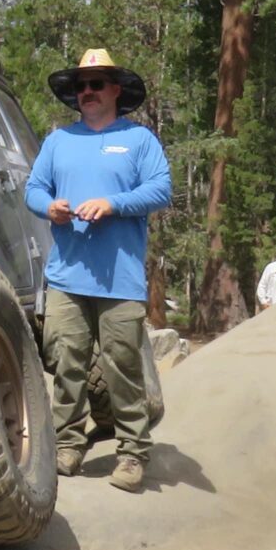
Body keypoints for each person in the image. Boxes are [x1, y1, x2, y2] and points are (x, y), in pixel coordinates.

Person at [24, 48, 171, 492]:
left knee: (122, 365)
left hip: (120, 278)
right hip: (67, 275)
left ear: (115, 90)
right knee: (66, 362)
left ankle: (132, 453)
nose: (86, 92)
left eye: (96, 84)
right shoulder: (58, 141)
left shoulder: (140, 140)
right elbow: (33, 188)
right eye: (81, 86)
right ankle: (68, 445)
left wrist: (113, 203)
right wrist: (49, 207)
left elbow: (161, 189)